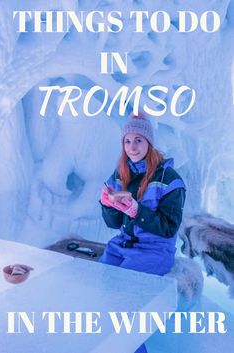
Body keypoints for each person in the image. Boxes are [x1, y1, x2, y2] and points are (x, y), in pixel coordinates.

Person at [99, 114, 186, 352]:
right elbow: (114, 222)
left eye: (138, 140)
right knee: (98, 291)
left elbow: (169, 228)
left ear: (149, 142)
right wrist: (107, 205)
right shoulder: (120, 173)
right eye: (127, 141)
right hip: (122, 245)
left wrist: (138, 211)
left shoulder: (170, 180)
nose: (132, 147)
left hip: (154, 250)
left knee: (121, 303)